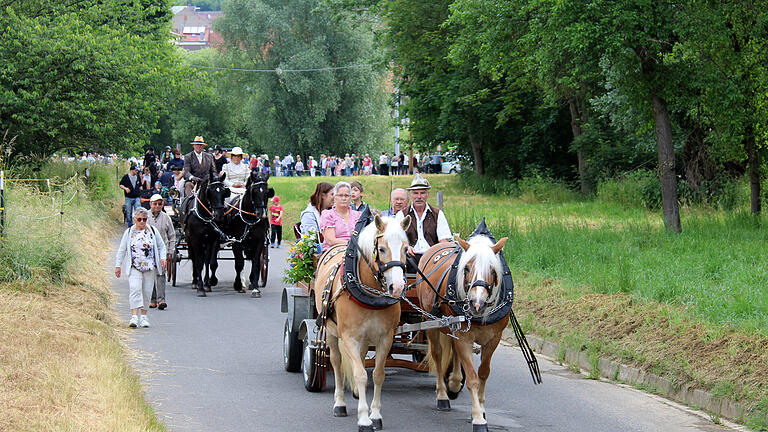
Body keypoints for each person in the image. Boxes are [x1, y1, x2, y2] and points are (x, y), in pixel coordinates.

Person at [114, 207, 167, 328]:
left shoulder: (152, 231)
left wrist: (162, 258)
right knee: (135, 289)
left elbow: (161, 246)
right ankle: (134, 316)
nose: (142, 222)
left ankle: (144, 316)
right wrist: (118, 265)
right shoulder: (129, 232)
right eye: (139, 219)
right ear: (134, 219)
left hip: (149, 267)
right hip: (135, 266)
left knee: (147, 292)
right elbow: (122, 250)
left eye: (144, 219)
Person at [397, 174, 452, 271]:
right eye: (415, 193)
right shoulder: (401, 215)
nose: (419, 196)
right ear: (411, 195)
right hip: (409, 259)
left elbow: (444, 242)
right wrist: (406, 247)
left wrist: (434, 253)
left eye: (422, 193)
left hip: (433, 258)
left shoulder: (438, 214)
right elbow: (396, 239)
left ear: (427, 195)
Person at [147, 194, 175, 310]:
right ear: (151, 204)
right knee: (149, 274)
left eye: (159, 204)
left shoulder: (166, 217)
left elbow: (172, 235)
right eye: (155, 204)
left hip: (162, 249)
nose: (157, 206)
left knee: (161, 274)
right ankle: (152, 299)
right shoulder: (146, 217)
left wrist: (171, 251)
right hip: (148, 250)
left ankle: (161, 300)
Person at [319, 181, 361, 251]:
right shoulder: (328, 215)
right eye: (340, 195)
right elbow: (331, 240)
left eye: (346, 196)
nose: (344, 198)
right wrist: (351, 244)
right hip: (334, 251)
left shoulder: (358, 215)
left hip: (355, 251)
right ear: (335, 197)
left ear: (350, 198)